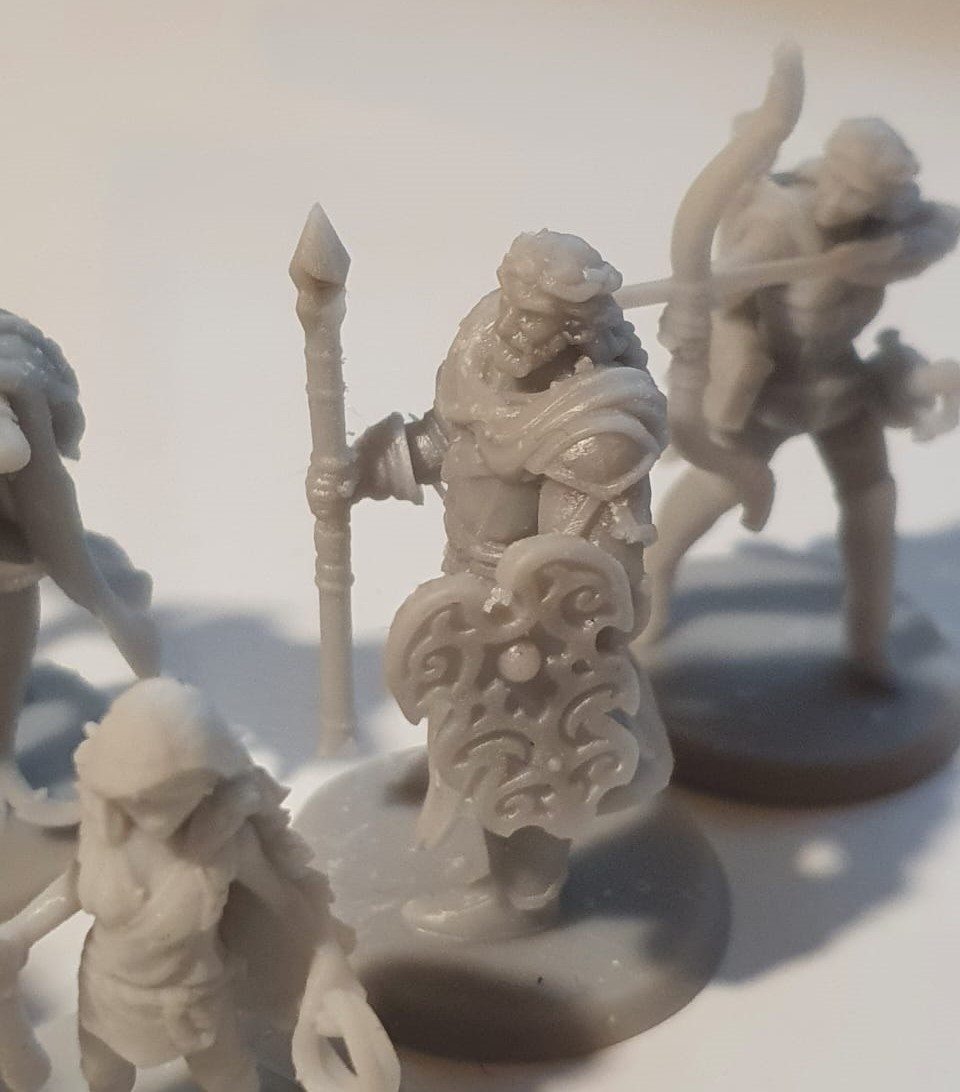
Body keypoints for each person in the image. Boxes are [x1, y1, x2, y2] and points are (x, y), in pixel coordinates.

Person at [343, 230, 672, 939]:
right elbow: (450, 443)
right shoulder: (486, 354)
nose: (515, 327)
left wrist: (523, 627)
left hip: (532, 629)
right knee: (481, 746)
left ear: (575, 330)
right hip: (470, 594)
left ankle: (523, 899)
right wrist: (363, 469)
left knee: (527, 756)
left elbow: (588, 577)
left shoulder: (597, 430)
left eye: (535, 317)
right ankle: (496, 852)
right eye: (514, 305)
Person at [642, 118, 960, 683]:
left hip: (842, 385)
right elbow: (720, 284)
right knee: (719, 485)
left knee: (873, 502)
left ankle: (867, 646)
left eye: (856, 195)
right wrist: (699, 302)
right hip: (768, 393)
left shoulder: (884, 224)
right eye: (835, 182)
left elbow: (945, 225)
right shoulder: (781, 223)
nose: (837, 201)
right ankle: (652, 582)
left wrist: (883, 254)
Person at [0, 678, 399, 1092]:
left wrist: (325, 955)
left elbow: (286, 904)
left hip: (193, 997)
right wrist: (22, 932)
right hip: (107, 991)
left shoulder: (226, 843)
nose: (157, 814)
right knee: (104, 1075)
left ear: (210, 782)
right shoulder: (104, 836)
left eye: (178, 795)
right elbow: (72, 887)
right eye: (141, 798)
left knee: (228, 1078)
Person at [0, 311, 159, 826]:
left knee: (32, 614)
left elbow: (14, 449)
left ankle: (4, 763)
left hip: (17, 534)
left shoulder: (12, 362)